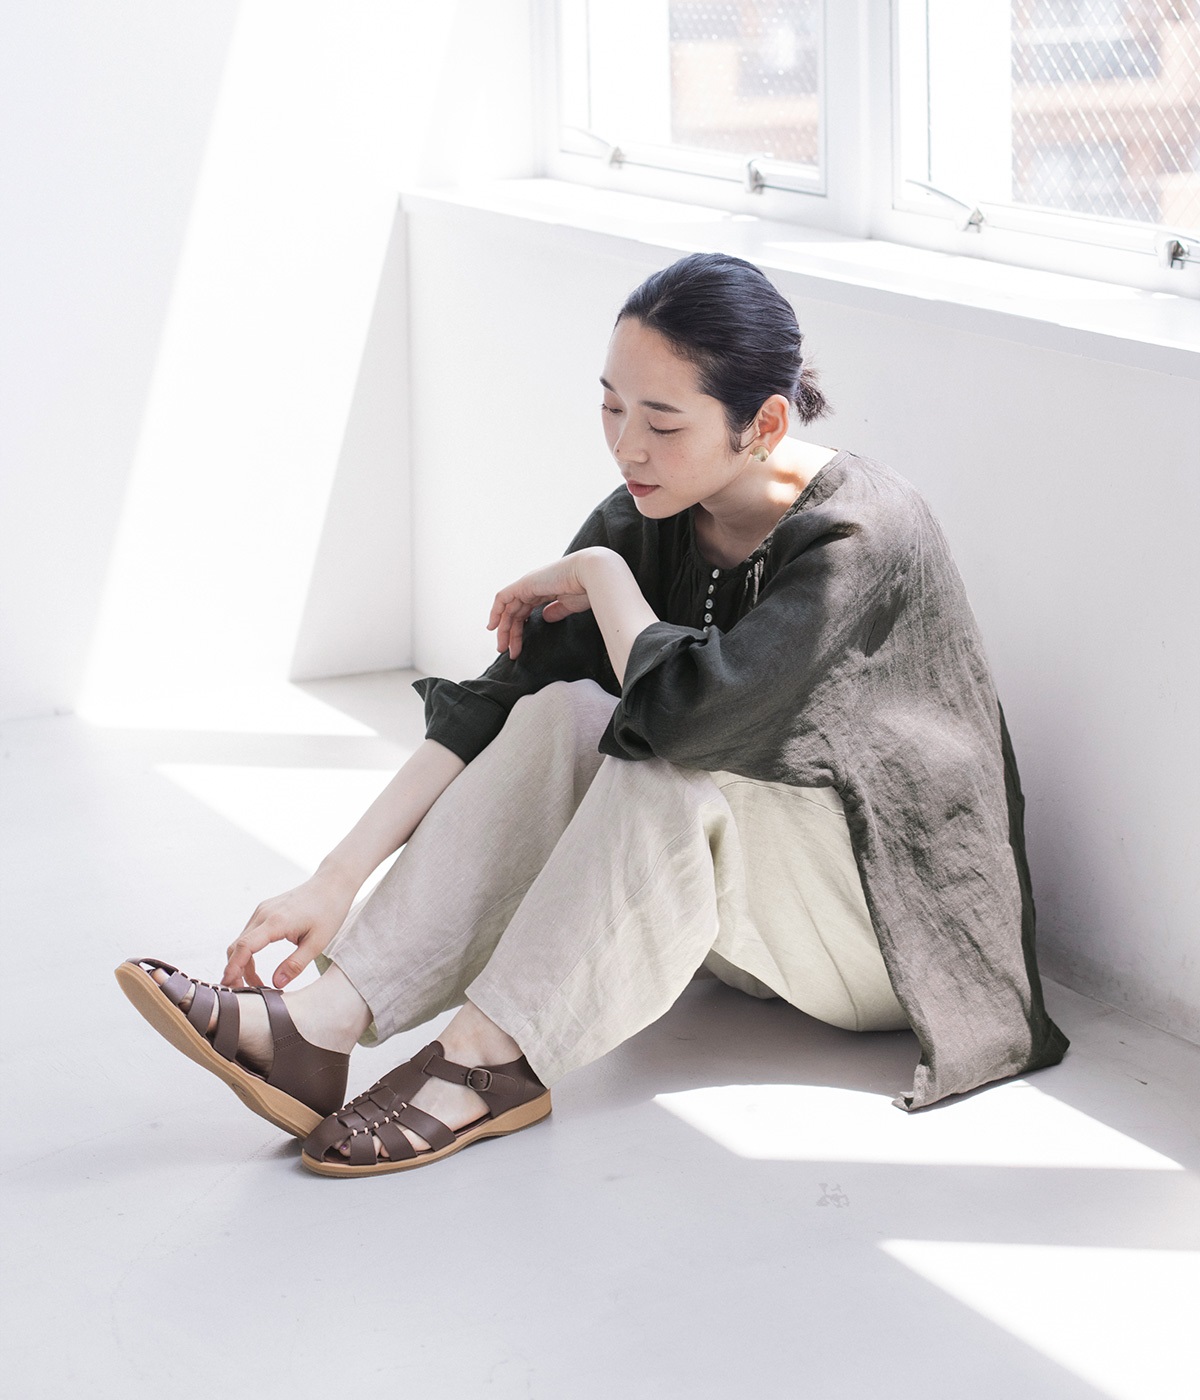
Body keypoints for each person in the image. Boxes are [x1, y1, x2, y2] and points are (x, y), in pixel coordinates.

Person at [116, 252, 1069, 1178]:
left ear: (765, 422)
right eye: (612, 406)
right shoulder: (649, 509)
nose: (628, 446)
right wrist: (333, 881)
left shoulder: (865, 533)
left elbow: (689, 719)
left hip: (883, 945)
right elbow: (497, 704)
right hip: (741, 937)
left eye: (663, 420)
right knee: (567, 712)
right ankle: (320, 1028)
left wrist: (602, 576)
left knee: (666, 758)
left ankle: (485, 1061)